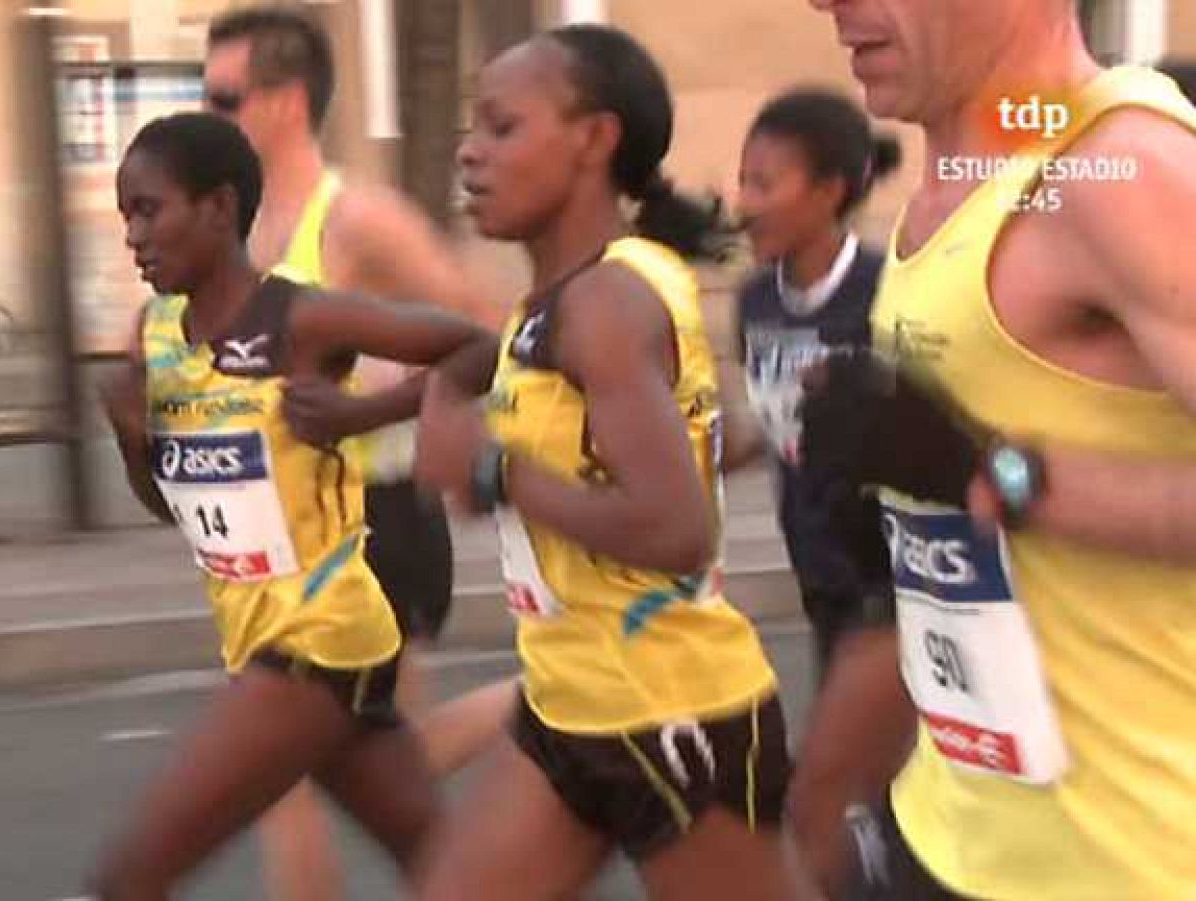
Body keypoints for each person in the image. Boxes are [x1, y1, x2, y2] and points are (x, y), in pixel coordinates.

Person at [790, 1, 1196, 897]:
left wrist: (999, 475)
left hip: (1133, 863)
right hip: (957, 832)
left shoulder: (1124, 172)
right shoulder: (990, 164)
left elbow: (980, 465)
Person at [411, 25, 795, 900]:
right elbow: (493, 358)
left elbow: (675, 529)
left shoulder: (604, 303)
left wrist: (493, 474)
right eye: (472, 129)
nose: (470, 152)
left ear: (594, 139)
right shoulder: (569, 299)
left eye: (502, 128)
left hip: (670, 716)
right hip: (567, 707)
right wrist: (438, 396)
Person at [91, 112, 496, 901]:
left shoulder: (299, 318)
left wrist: (364, 414)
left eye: (149, 210)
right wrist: (132, 438)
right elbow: (175, 507)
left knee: (126, 878)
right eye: (125, 216)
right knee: (455, 877)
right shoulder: (155, 335)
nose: (134, 236)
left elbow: (475, 345)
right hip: (282, 643)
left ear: (218, 206)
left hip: (312, 645)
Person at [201, 8, 508, 897]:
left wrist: (373, 404)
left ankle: (557, 703)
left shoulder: (359, 219)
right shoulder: (238, 228)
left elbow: (484, 334)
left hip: (373, 527)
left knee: (295, 772)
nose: (206, 111)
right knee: (351, 771)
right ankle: (556, 703)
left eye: (223, 96)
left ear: (285, 103)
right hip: (275, 538)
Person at [728, 87, 900, 677]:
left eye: (763, 185)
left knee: (836, 770)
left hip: (893, 589)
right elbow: (772, 422)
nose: (743, 203)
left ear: (829, 192)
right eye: (743, 181)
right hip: (817, 575)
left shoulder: (888, 288)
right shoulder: (755, 301)